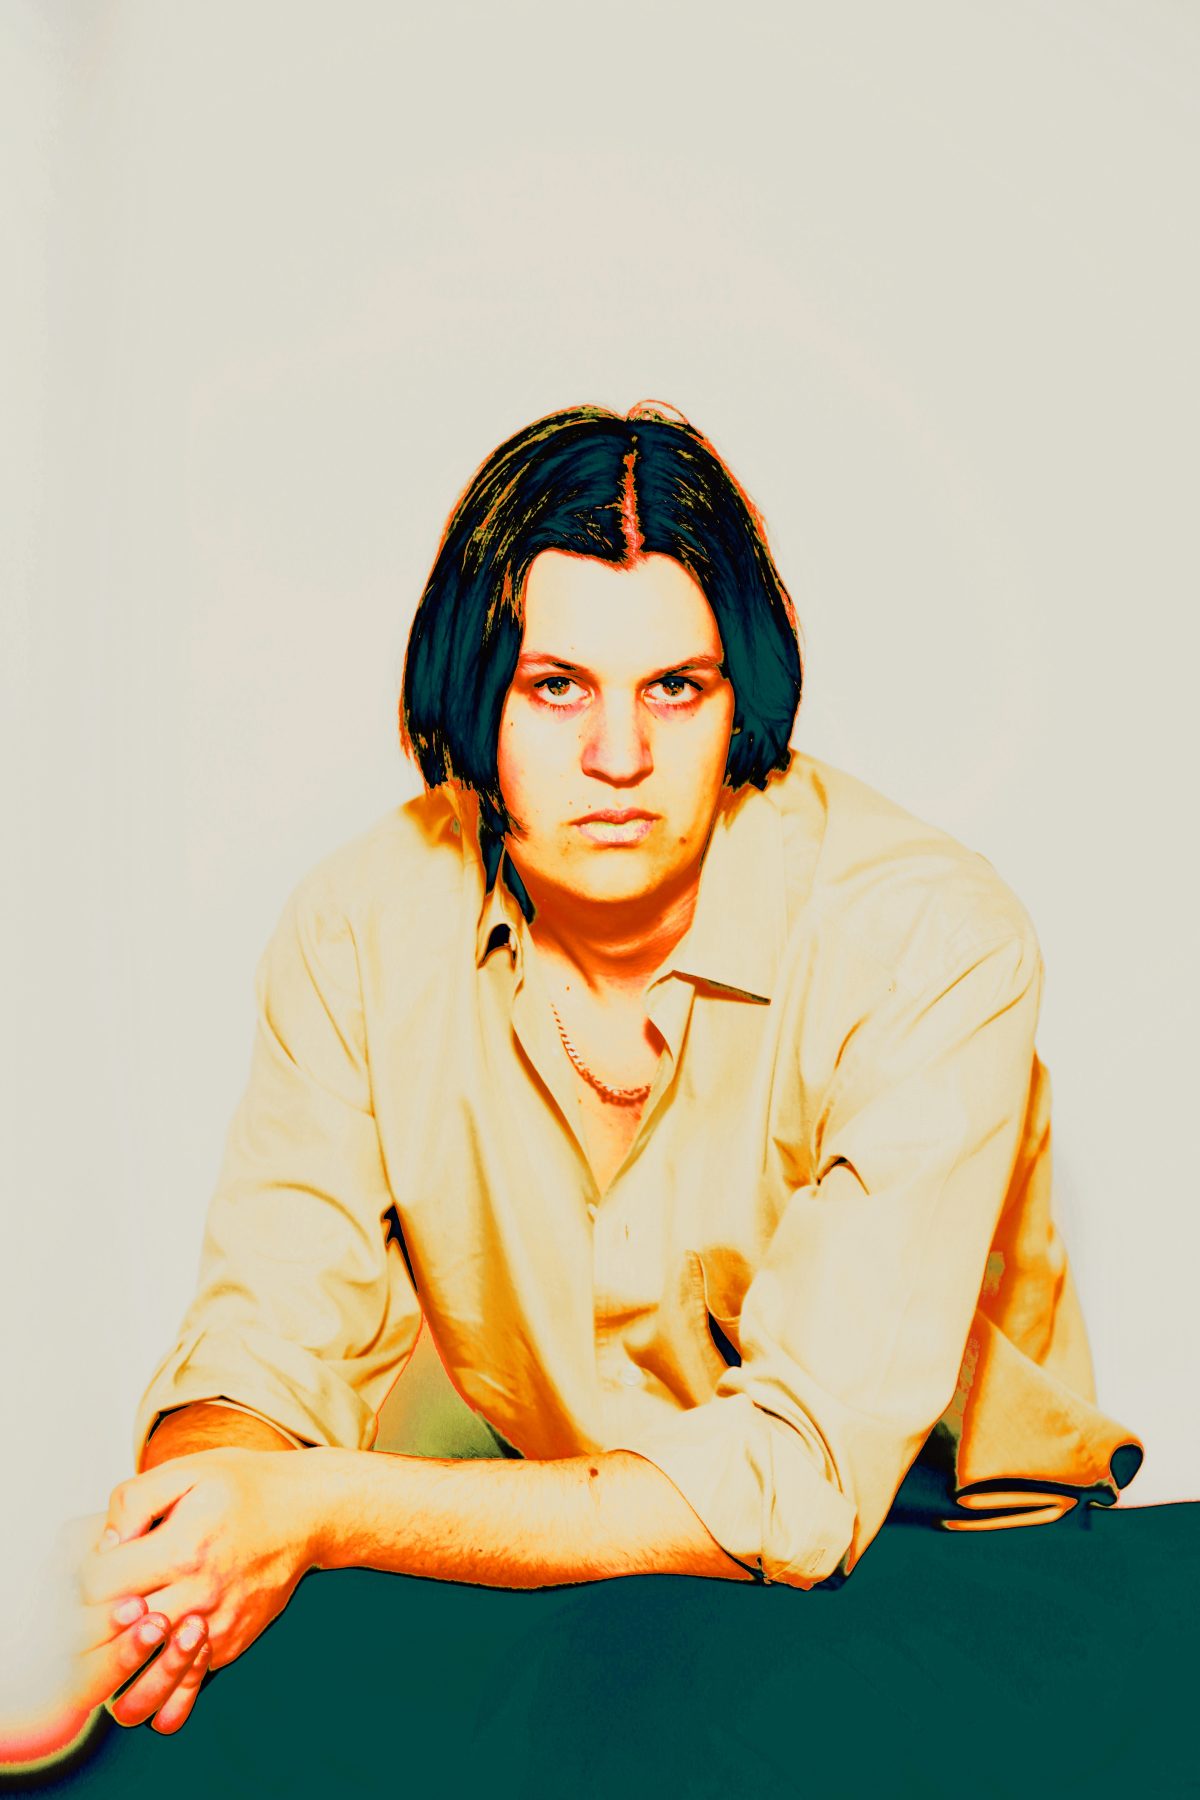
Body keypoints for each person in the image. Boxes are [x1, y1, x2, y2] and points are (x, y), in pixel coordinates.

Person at [56, 401, 1142, 1755]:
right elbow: (267, 1345)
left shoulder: (927, 937)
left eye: (674, 688)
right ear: (472, 695)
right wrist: (191, 1535)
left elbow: (798, 1482)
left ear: (740, 700)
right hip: (580, 1566)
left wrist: (322, 1509)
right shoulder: (361, 924)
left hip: (942, 1573)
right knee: (186, 1718)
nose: (619, 759)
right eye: (556, 686)